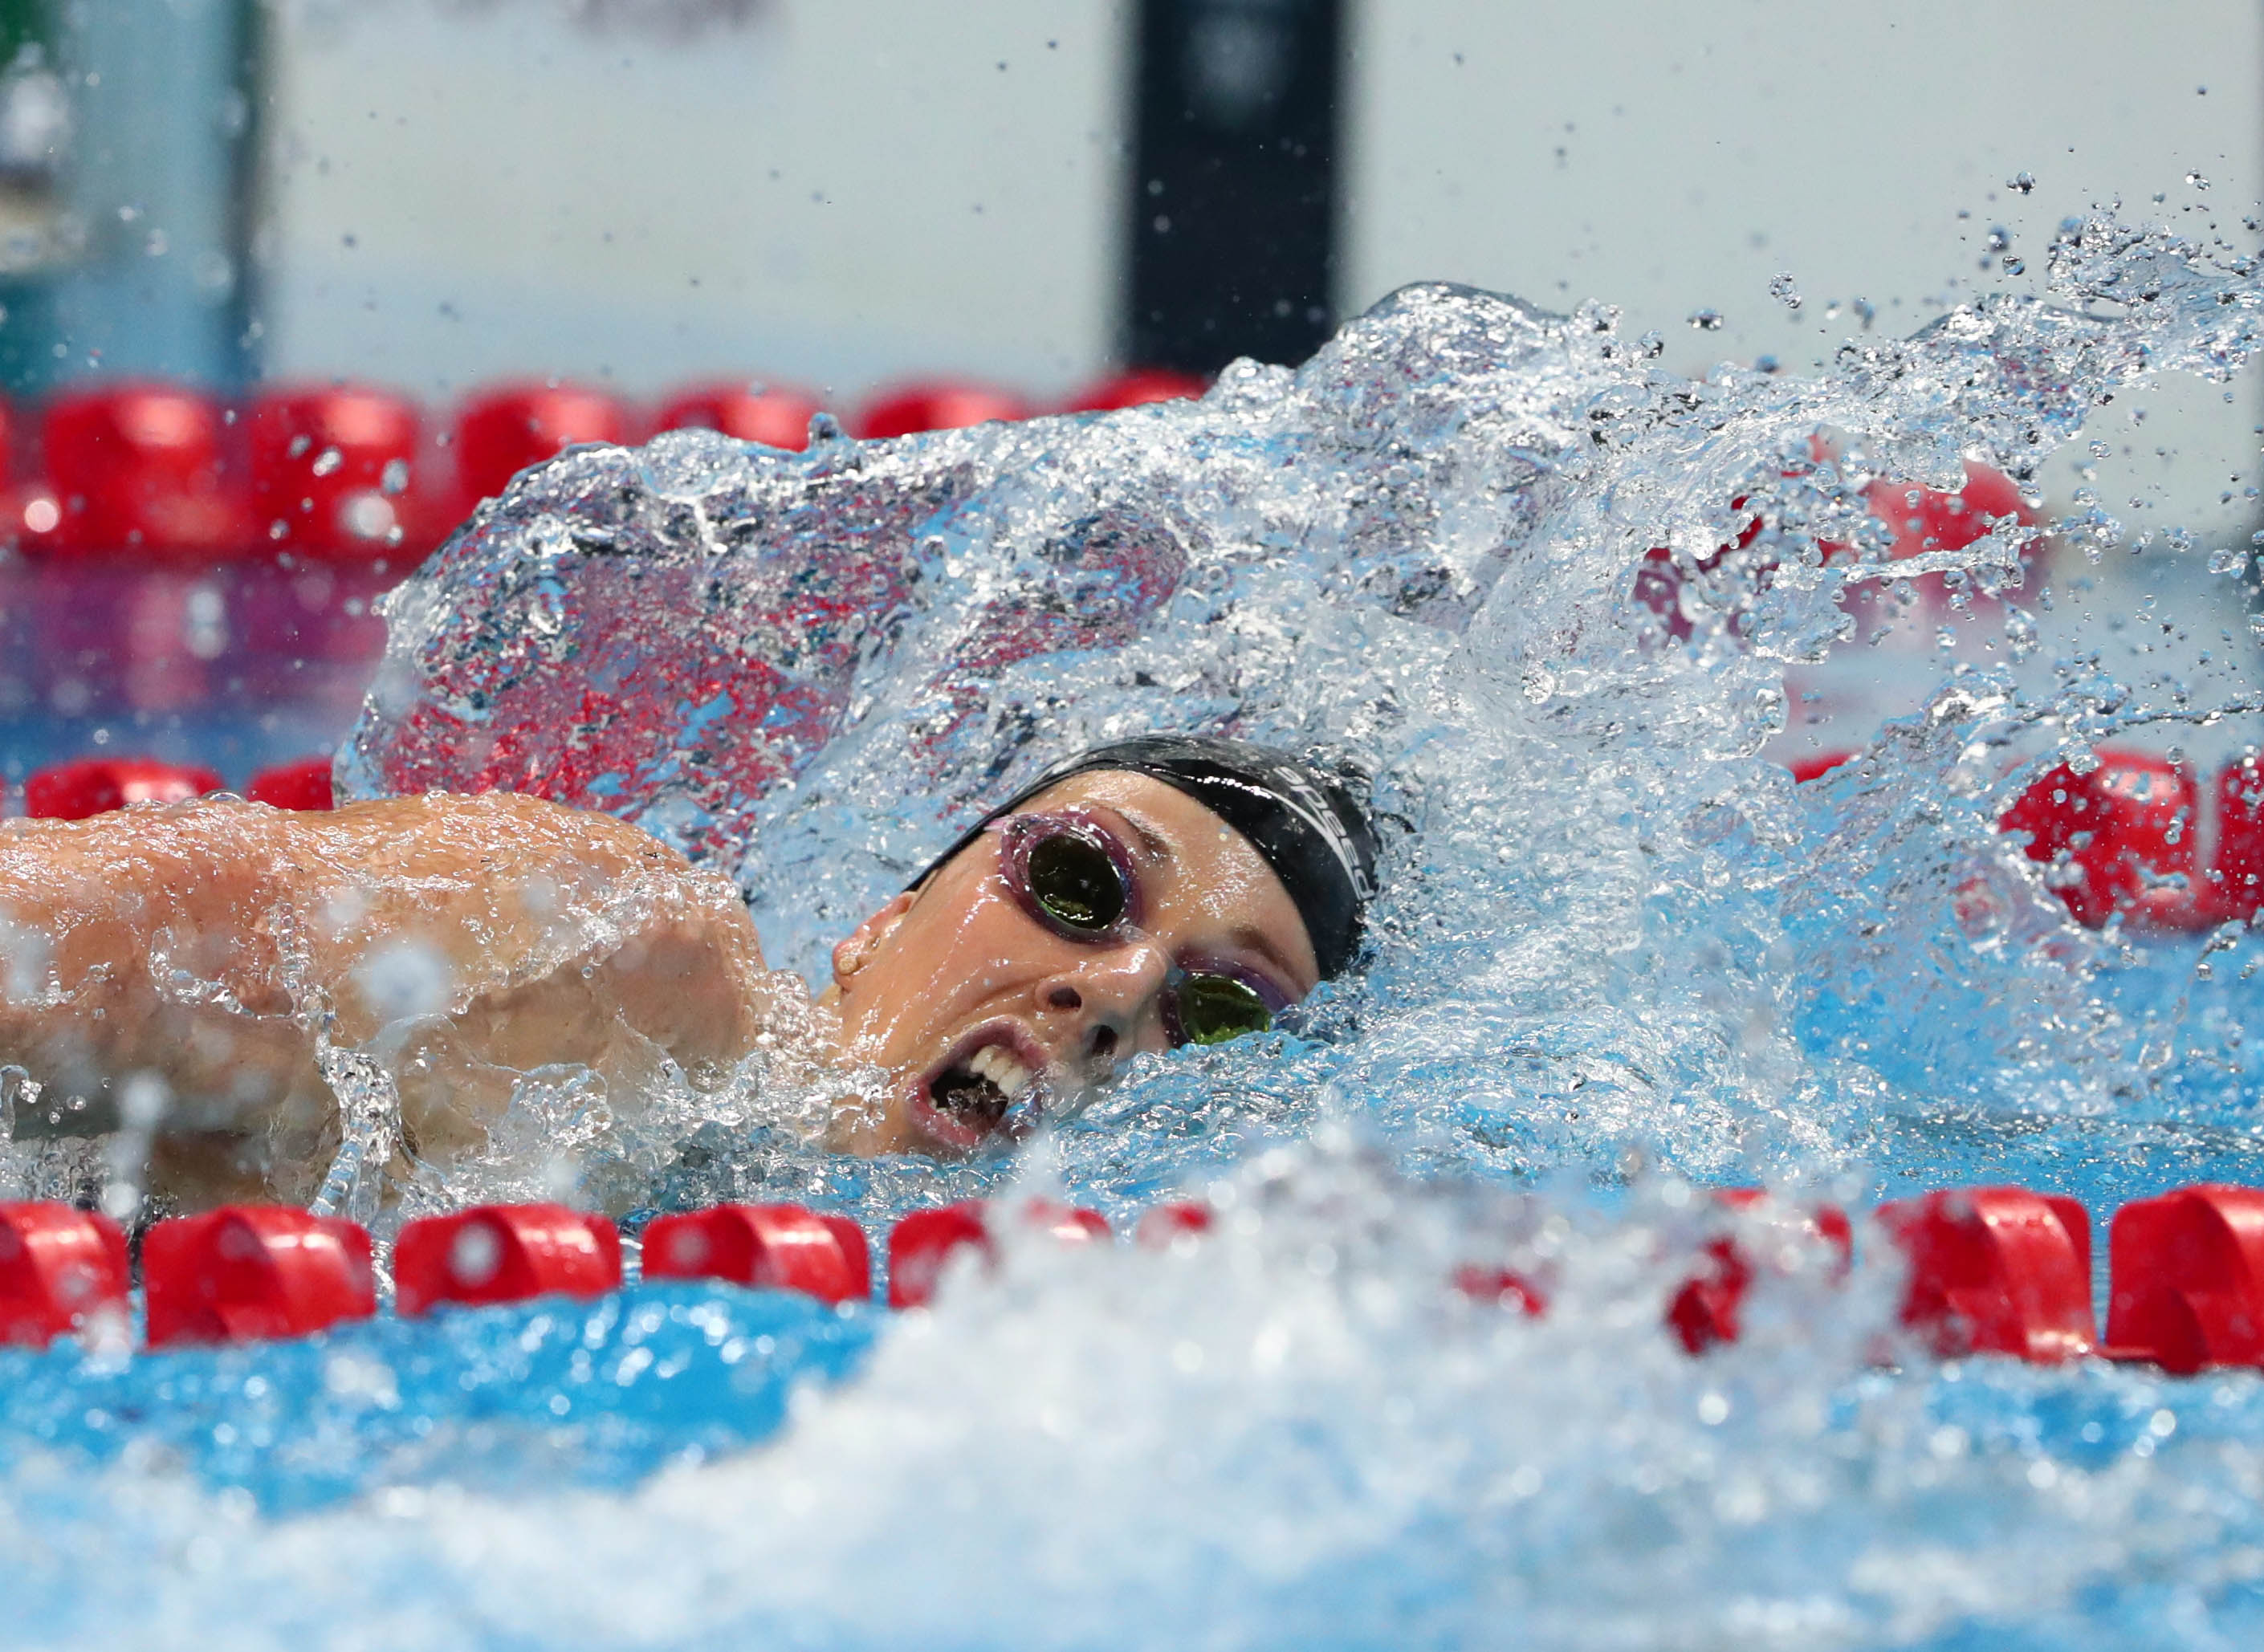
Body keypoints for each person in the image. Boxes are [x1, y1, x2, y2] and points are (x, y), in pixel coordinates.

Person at [0, 734, 1378, 1213]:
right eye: (1082, 885)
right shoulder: (620, 961)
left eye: (1214, 1015)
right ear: (881, 921)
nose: (1122, 995)